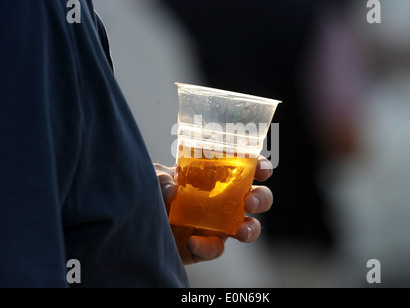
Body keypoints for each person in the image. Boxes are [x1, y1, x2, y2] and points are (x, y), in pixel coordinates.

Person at [0, 0, 273, 287]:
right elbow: (19, 242)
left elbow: (67, 190)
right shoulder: (33, 12)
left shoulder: (90, 15)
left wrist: (141, 215)